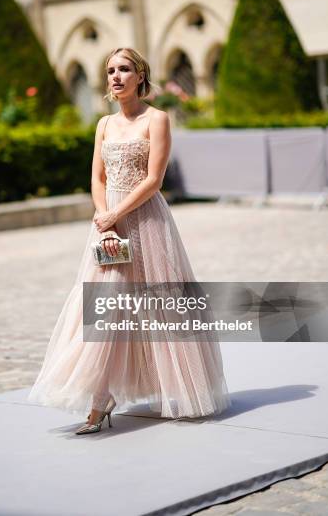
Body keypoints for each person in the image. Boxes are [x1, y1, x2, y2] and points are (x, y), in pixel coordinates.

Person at [27, 47, 231, 434]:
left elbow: (154, 180)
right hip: (107, 225)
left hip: (145, 222)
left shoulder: (158, 119)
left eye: (124, 69)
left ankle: (180, 387)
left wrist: (116, 215)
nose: (116, 77)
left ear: (140, 75)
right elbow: (98, 178)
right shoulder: (103, 124)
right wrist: (104, 218)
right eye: (110, 71)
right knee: (104, 304)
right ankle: (99, 401)